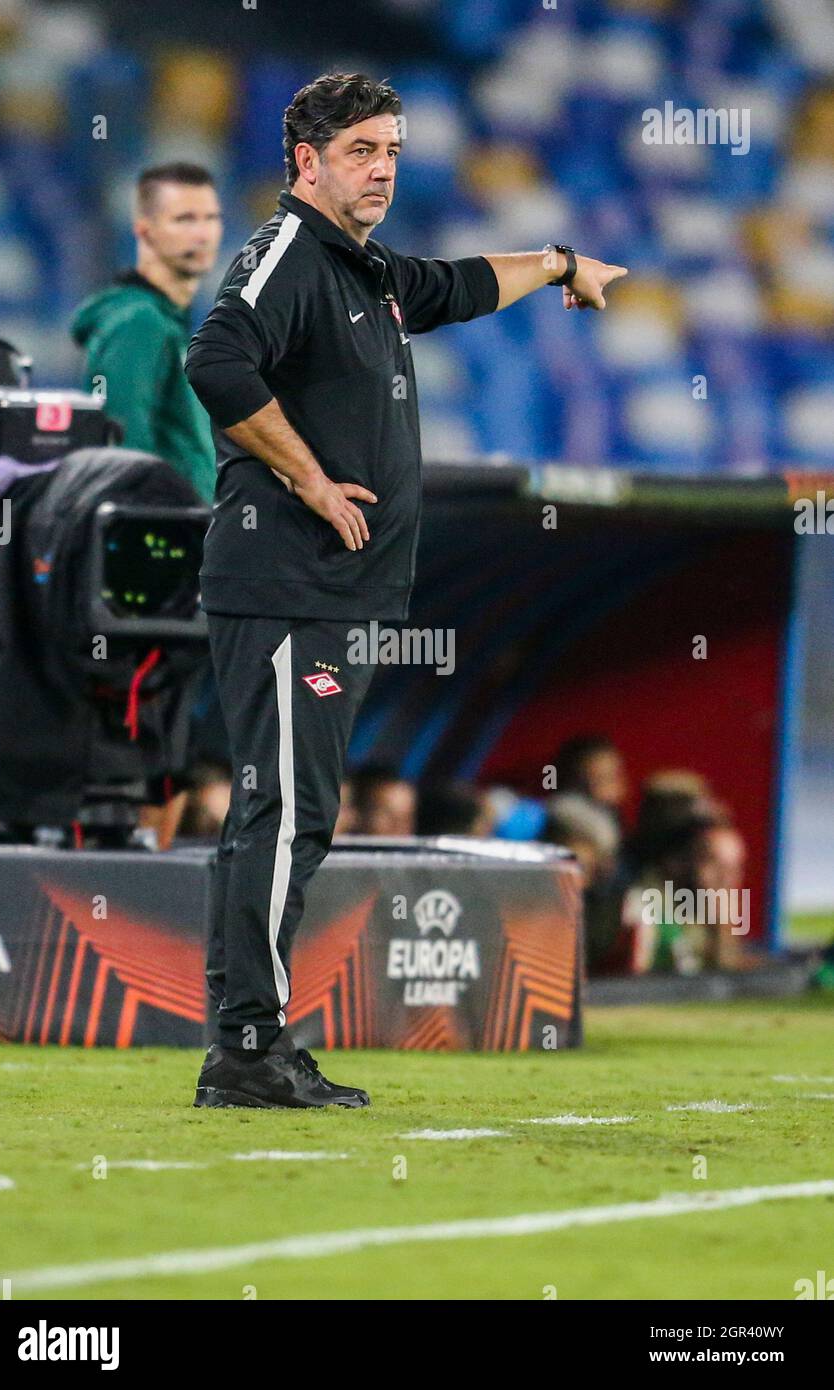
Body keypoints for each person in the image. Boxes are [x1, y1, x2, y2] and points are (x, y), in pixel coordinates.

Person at [184, 70, 627, 1110]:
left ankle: (258, 1040)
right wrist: (304, 477)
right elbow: (214, 361)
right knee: (281, 816)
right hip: (288, 588)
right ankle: (245, 1050)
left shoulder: (364, 268)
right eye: (359, 151)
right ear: (305, 160)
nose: (381, 168)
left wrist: (562, 262)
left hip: (332, 597)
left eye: (390, 149)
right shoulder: (289, 254)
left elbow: (461, 284)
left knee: (294, 816)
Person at [71, 162, 222, 503]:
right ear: (145, 230)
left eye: (210, 218)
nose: (202, 234)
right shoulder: (138, 323)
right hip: (162, 542)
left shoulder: (170, 324)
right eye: (184, 219)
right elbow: (123, 459)